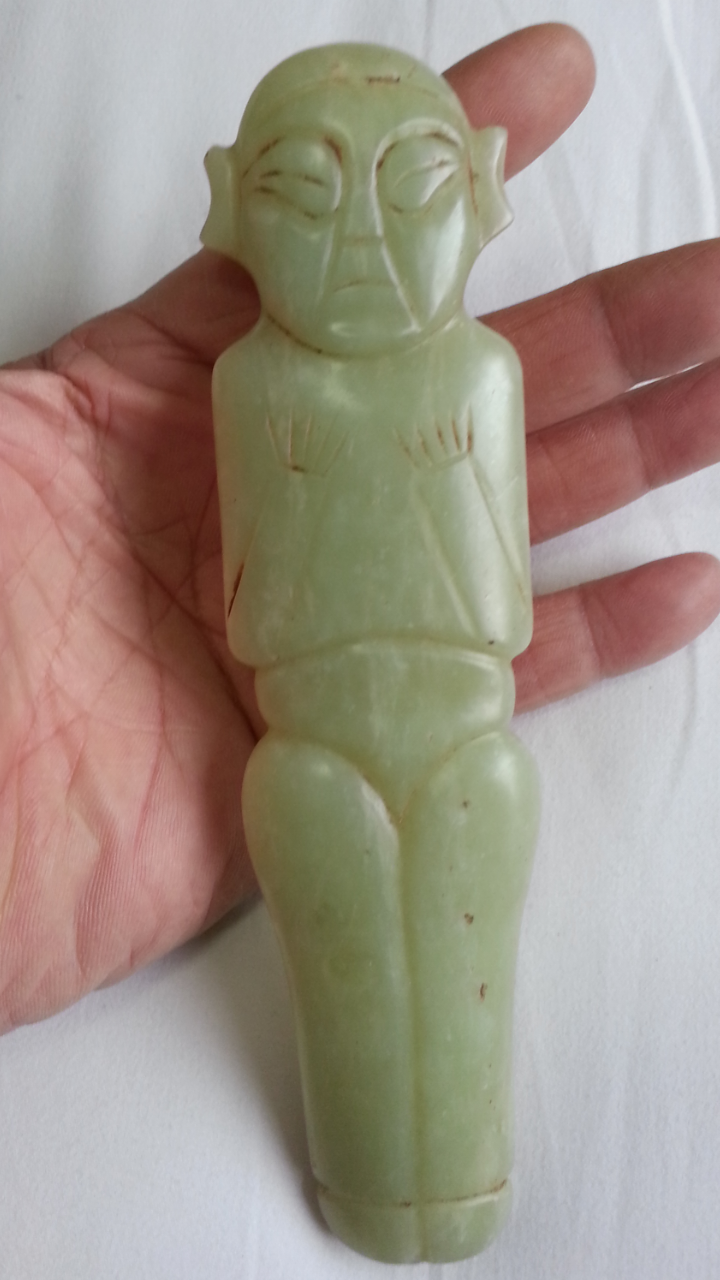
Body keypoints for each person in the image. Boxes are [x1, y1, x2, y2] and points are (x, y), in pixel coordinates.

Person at [0, 23, 718, 1037]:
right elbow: (259, 626)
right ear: (230, 208)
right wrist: (302, 491)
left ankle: (459, 1135)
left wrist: (446, 486)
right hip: (307, 745)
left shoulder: (478, 375)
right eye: (304, 194)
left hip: (466, 736)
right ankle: (366, 1133)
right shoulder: (256, 386)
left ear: (483, 190)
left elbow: (499, 617)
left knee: (475, 851)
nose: (364, 246)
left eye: (415, 188)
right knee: (328, 894)